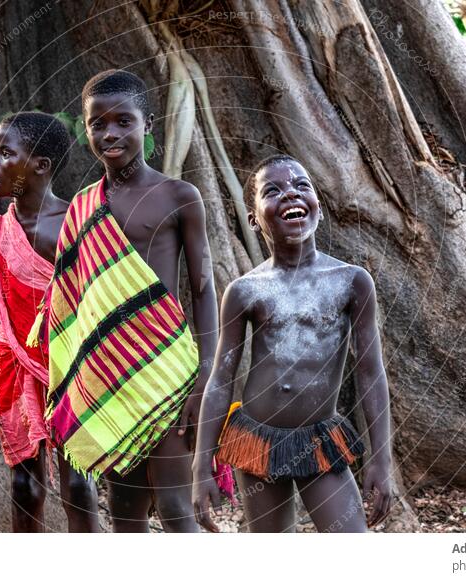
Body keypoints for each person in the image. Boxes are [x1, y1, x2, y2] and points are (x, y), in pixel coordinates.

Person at [42, 70, 218, 532]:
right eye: (98, 124)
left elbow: (202, 289)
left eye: (124, 121)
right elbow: (71, 303)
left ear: (149, 125)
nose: (110, 133)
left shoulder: (180, 197)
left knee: (178, 510)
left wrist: (205, 376)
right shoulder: (81, 207)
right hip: (108, 378)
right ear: (86, 130)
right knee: (125, 514)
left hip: (168, 373)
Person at [191, 155, 393, 533]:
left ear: (318, 205)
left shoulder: (351, 282)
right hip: (257, 442)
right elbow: (221, 378)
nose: (290, 194)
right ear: (254, 219)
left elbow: (370, 373)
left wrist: (382, 461)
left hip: (319, 438)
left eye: (302, 186)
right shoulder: (245, 291)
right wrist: (201, 465)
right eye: (273, 190)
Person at [0, 111, 100, 533]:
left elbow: (96, 309)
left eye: (5, 153)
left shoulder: (75, 225)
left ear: (41, 166)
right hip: (13, 373)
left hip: (72, 373)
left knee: (78, 483)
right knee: (24, 486)